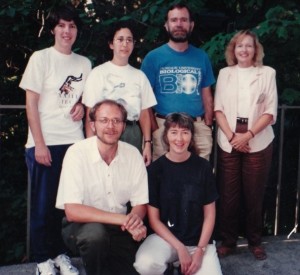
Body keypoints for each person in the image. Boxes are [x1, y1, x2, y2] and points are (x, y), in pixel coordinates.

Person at [19, 3, 91, 264]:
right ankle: (42, 260)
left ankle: (61, 255)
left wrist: (82, 106)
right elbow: (31, 104)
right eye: (61, 25)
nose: (66, 31)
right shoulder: (41, 58)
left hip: (74, 142)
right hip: (45, 142)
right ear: (53, 29)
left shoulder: (84, 63)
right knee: (42, 204)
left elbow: (85, 98)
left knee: (66, 205)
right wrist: (39, 144)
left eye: (71, 26)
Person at [56, 99, 148, 275]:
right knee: (95, 235)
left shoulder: (133, 154)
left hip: (120, 228)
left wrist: (134, 222)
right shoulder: (77, 153)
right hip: (81, 227)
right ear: (92, 124)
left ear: (123, 125)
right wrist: (123, 220)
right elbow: (72, 211)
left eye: (117, 120)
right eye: (104, 120)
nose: (111, 126)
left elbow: (140, 204)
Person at [214, 30, 278, 260]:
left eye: (248, 46)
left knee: (254, 194)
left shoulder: (267, 73)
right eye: (239, 46)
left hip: (258, 141)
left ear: (255, 49)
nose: (244, 50)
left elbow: (270, 112)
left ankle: (255, 241)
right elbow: (218, 109)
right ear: (233, 50)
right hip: (228, 140)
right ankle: (228, 241)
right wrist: (233, 137)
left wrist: (247, 135)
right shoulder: (224, 73)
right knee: (228, 195)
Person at [134, 113, 222, 275]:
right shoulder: (155, 170)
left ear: (191, 136)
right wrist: (180, 248)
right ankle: (170, 267)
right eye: (174, 132)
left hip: (198, 242)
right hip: (166, 240)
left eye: (185, 132)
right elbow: (153, 220)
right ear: (166, 136)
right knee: (145, 264)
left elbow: (210, 214)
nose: (179, 138)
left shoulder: (203, 167)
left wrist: (200, 251)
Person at [141, 2, 215, 161]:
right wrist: (155, 129)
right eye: (174, 20)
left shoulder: (201, 57)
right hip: (164, 127)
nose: (179, 24)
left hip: (198, 128)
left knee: (199, 179)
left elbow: (207, 95)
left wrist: (207, 125)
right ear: (166, 25)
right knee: (166, 180)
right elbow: (144, 98)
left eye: (183, 20)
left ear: (191, 25)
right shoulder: (153, 58)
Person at [82, 20, 157, 166]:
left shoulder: (139, 76)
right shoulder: (98, 73)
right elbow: (90, 113)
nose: (125, 44)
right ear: (111, 44)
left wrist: (147, 143)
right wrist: (90, 145)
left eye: (129, 40)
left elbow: (144, 113)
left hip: (132, 132)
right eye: (120, 39)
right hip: (104, 132)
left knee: (129, 177)